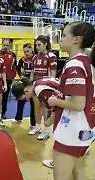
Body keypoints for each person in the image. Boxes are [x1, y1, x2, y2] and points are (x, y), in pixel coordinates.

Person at [47, 21, 95, 180]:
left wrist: (55, 102)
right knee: (78, 170)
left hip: (73, 129)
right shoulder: (85, 61)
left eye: (65, 35)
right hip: (85, 127)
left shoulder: (75, 64)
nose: (60, 39)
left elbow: (77, 104)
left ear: (76, 40)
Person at [29, 35, 57, 140]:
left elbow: (52, 73)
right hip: (36, 85)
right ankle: (37, 127)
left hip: (45, 87)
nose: (37, 47)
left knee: (46, 108)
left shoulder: (51, 56)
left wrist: (50, 87)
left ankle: (46, 131)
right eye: (36, 45)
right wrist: (31, 83)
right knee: (36, 107)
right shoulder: (35, 57)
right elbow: (33, 71)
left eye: (39, 45)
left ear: (45, 44)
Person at [0, 38, 17, 119]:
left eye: (7, 45)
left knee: (5, 97)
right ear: (2, 45)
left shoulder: (13, 55)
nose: (5, 46)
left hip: (8, 79)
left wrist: (12, 76)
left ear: (9, 45)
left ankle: (3, 113)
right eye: (4, 45)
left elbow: (14, 67)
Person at [14, 43, 35, 126]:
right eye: (24, 51)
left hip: (33, 83)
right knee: (20, 100)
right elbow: (18, 68)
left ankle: (33, 123)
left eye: (28, 51)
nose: (26, 53)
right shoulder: (22, 60)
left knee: (33, 104)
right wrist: (21, 75)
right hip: (24, 83)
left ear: (32, 50)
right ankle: (18, 118)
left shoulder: (36, 59)